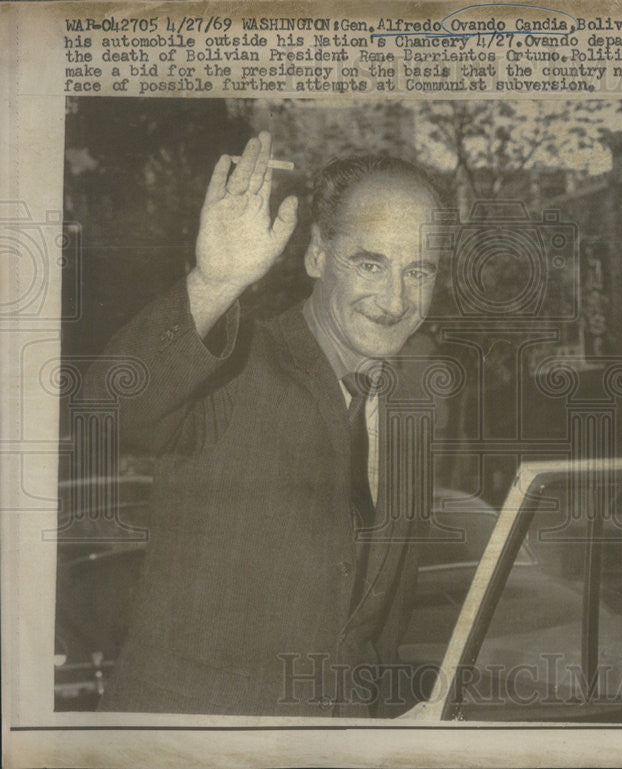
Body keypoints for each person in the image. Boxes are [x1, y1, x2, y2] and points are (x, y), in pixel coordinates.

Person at [84, 131, 440, 717]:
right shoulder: (233, 361)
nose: (395, 299)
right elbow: (106, 411)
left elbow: (375, 626)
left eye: (419, 271)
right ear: (319, 254)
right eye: (371, 263)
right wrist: (215, 283)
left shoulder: (412, 411)